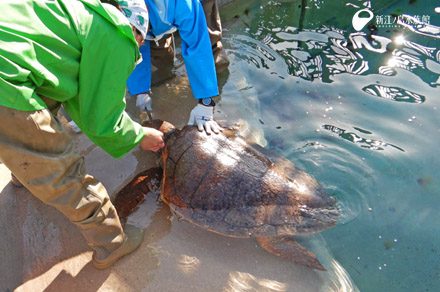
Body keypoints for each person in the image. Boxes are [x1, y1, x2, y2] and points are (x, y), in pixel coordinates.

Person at [0, 0, 163, 269]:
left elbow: (62, 86)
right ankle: (111, 243)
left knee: (37, 113)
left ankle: (23, 172)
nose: (138, 48)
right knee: (64, 172)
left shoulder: (73, 11)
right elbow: (100, 118)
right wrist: (139, 135)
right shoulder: (118, 33)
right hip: (6, 84)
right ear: (135, 30)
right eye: (140, 42)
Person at [120, 0, 229, 134]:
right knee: (159, 59)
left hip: (185, 8)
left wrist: (206, 102)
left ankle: (215, 85)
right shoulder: (125, 13)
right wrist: (140, 89)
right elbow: (133, 49)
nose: (140, 43)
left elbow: (198, 47)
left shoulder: (184, 5)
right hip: (155, 16)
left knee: (210, 50)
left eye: (141, 39)